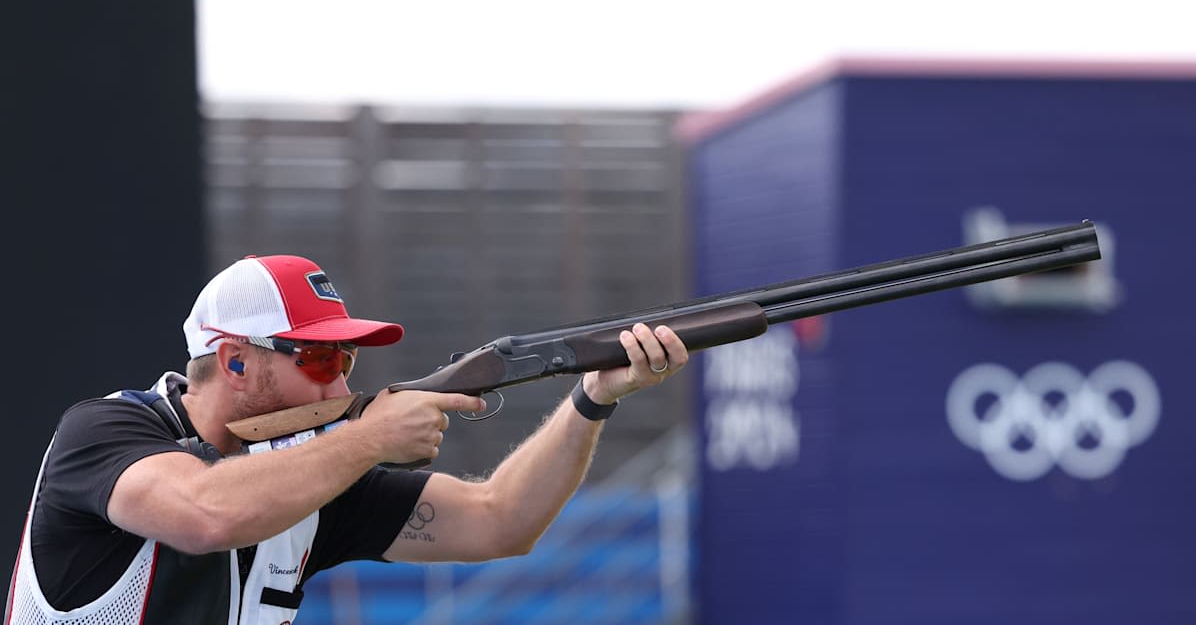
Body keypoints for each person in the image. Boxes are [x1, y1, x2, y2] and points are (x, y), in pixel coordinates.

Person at [6, 254, 687, 624]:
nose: (339, 390)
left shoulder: (304, 480)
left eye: (348, 364)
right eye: (320, 361)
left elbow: (499, 521)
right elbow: (205, 513)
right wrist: (368, 439)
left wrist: (592, 399)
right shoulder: (102, 433)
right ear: (237, 361)